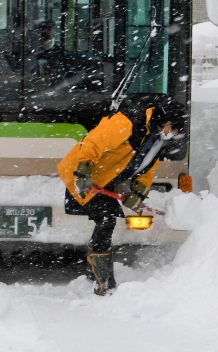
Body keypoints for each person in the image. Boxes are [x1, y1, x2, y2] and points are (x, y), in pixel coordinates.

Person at [57, 106, 181, 296]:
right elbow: (94, 141)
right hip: (83, 177)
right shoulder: (130, 122)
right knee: (107, 219)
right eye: (173, 130)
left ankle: (97, 275)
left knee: (106, 220)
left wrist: (138, 194)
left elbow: (147, 169)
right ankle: (103, 282)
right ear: (167, 123)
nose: (172, 135)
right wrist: (83, 170)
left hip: (103, 182)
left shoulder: (156, 140)